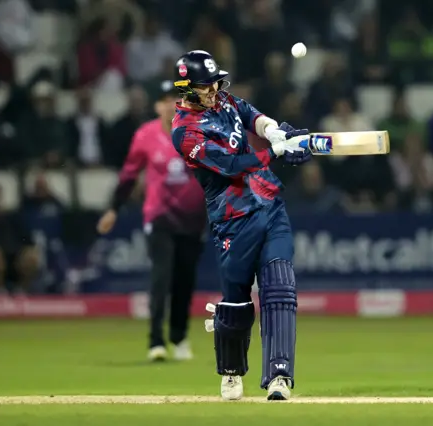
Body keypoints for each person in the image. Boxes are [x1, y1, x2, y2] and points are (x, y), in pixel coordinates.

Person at [171, 50, 312, 401]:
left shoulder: (224, 101)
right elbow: (233, 166)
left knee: (280, 289)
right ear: (187, 89)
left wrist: (276, 132)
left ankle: (280, 377)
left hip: (269, 204)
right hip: (232, 220)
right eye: (207, 86)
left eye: (217, 82)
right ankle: (231, 372)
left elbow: (253, 116)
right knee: (236, 304)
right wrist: (276, 152)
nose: (215, 90)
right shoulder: (185, 133)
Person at [97, 81, 206, 362]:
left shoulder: (199, 131)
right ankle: (156, 340)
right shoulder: (145, 135)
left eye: (176, 99)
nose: (171, 105)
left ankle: (179, 337)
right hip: (159, 217)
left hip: (193, 219)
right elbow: (129, 175)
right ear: (157, 106)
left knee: (184, 280)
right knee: (161, 276)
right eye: (165, 100)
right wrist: (113, 209)